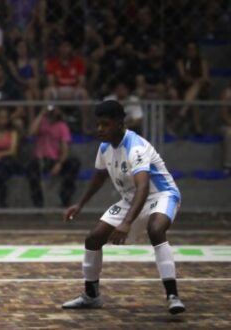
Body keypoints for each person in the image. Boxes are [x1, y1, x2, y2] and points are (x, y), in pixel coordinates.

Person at [62, 100, 185, 315]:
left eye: (106, 124)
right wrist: (80, 205)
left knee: (156, 230)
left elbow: (143, 187)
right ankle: (91, 296)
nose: (100, 129)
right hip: (132, 199)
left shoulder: (135, 147)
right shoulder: (105, 146)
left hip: (161, 194)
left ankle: (172, 295)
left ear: (120, 124)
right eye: (98, 124)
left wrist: (127, 222)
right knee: (93, 238)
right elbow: (100, 177)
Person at [26, 107, 80, 207]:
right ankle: (38, 204)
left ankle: (65, 199)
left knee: (74, 163)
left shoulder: (62, 126)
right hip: (40, 159)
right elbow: (31, 133)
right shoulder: (41, 122)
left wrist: (59, 164)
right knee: (31, 167)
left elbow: (65, 147)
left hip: (55, 159)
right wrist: (41, 114)